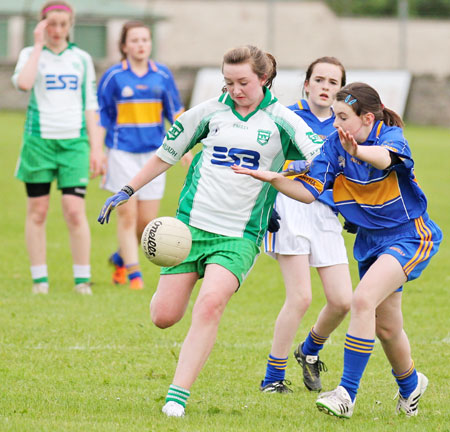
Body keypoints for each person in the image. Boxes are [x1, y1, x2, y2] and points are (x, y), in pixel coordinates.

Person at [98, 45, 324, 417]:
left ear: (264, 79)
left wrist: (283, 184)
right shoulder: (207, 113)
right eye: (229, 81)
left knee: (210, 303)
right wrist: (126, 190)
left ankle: (176, 398)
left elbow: (322, 158)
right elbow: (164, 155)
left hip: (239, 236)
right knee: (164, 316)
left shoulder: (283, 120)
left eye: (243, 82)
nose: (235, 89)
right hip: (188, 231)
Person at [232, 82, 442, 418]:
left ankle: (346, 393)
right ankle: (411, 385)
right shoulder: (335, 144)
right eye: (334, 115)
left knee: (361, 300)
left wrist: (356, 151)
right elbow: (309, 192)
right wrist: (273, 179)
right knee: (387, 328)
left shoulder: (389, 137)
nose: (335, 123)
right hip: (370, 243)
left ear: (367, 118)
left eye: (342, 116)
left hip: (408, 236)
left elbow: (385, 159)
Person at [260, 57, 353, 394]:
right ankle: (272, 378)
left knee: (343, 300)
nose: (325, 87)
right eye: (320, 80)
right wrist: (274, 190)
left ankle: (310, 350)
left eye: (333, 82)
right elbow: (265, 159)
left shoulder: (345, 125)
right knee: (300, 298)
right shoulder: (287, 117)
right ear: (307, 84)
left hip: (325, 213)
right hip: (289, 208)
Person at [12, 1, 103, 295]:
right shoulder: (30, 54)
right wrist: (38, 46)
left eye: (63, 25)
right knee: (37, 210)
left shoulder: (81, 58)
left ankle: (83, 281)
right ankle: (40, 281)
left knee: (74, 211)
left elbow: (90, 105)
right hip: (39, 142)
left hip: (74, 143)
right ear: (42, 25)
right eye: (51, 24)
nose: (58, 30)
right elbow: (24, 84)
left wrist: (96, 149)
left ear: (70, 25)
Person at [97, 20, 187, 290]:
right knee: (127, 215)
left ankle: (120, 257)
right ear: (124, 46)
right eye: (134, 40)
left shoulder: (162, 75)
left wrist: (184, 146)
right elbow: (102, 116)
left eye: (145, 40)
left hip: (153, 157)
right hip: (121, 153)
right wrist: (99, 151)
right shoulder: (114, 77)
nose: (140, 45)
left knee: (146, 221)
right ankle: (135, 276)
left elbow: (177, 113)